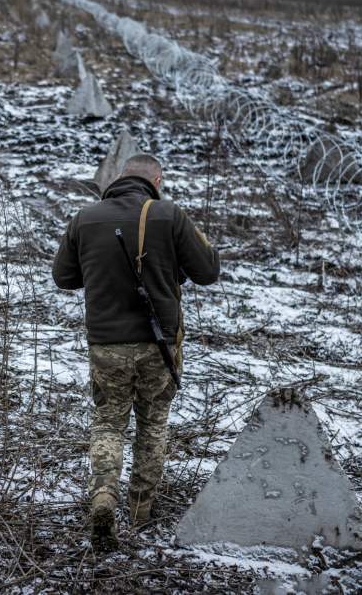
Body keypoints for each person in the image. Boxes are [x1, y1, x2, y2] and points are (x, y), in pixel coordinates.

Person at [51, 153, 220, 551]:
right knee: (152, 424)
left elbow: (63, 278)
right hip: (158, 345)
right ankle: (140, 507)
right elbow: (208, 271)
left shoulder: (85, 218)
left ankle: (104, 495)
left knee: (109, 422)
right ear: (156, 181)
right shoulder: (168, 215)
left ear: (119, 178)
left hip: (106, 343)